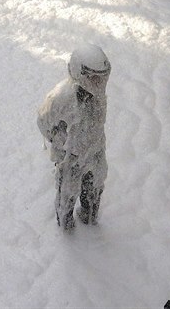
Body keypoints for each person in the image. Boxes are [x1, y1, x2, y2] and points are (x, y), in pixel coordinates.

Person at [37, 44, 111, 230]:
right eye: (93, 78)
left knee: (93, 188)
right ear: (80, 73)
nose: (97, 83)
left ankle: (89, 216)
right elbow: (44, 121)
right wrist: (59, 142)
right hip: (71, 156)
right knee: (68, 193)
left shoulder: (99, 96)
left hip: (95, 151)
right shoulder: (62, 98)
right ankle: (66, 225)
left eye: (101, 78)